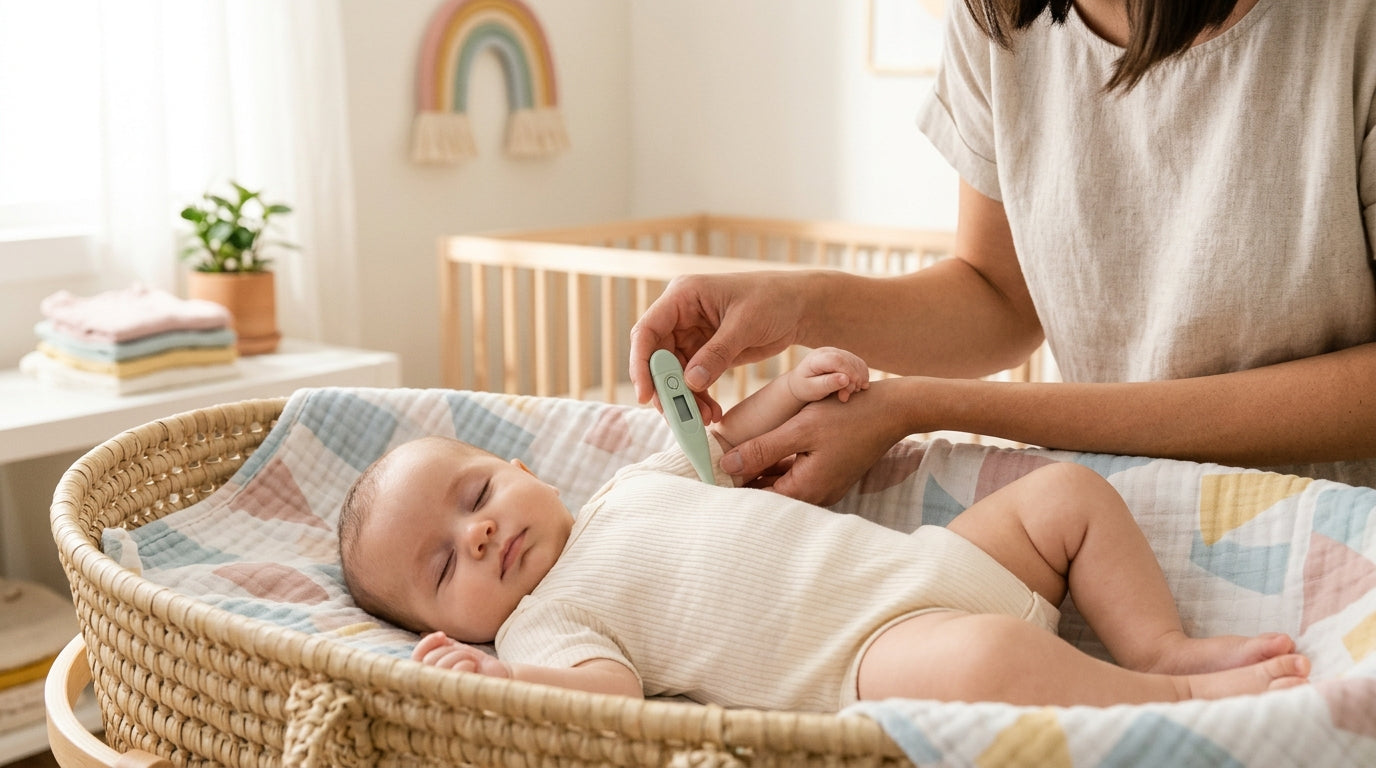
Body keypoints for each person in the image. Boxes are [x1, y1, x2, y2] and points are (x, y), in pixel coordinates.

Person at [628, 0, 1376, 506]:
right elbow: (998, 296)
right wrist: (801, 307)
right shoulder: (1002, 20)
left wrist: (925, 406)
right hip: (1131, 519)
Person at [338, 347, 1308, 712]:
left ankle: (1156, 639)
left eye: (473, 498)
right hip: (870, 649)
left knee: (1062, 496)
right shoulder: (537, 628)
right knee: (984, 665)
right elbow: (610, 692)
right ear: (453, 625)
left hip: (937, 561)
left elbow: (719, 443)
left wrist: (786, 392)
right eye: (440, 566)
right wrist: (506, 682)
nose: (474, 538)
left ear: (521, 470)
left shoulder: (625, 487)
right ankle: (1166, 694)